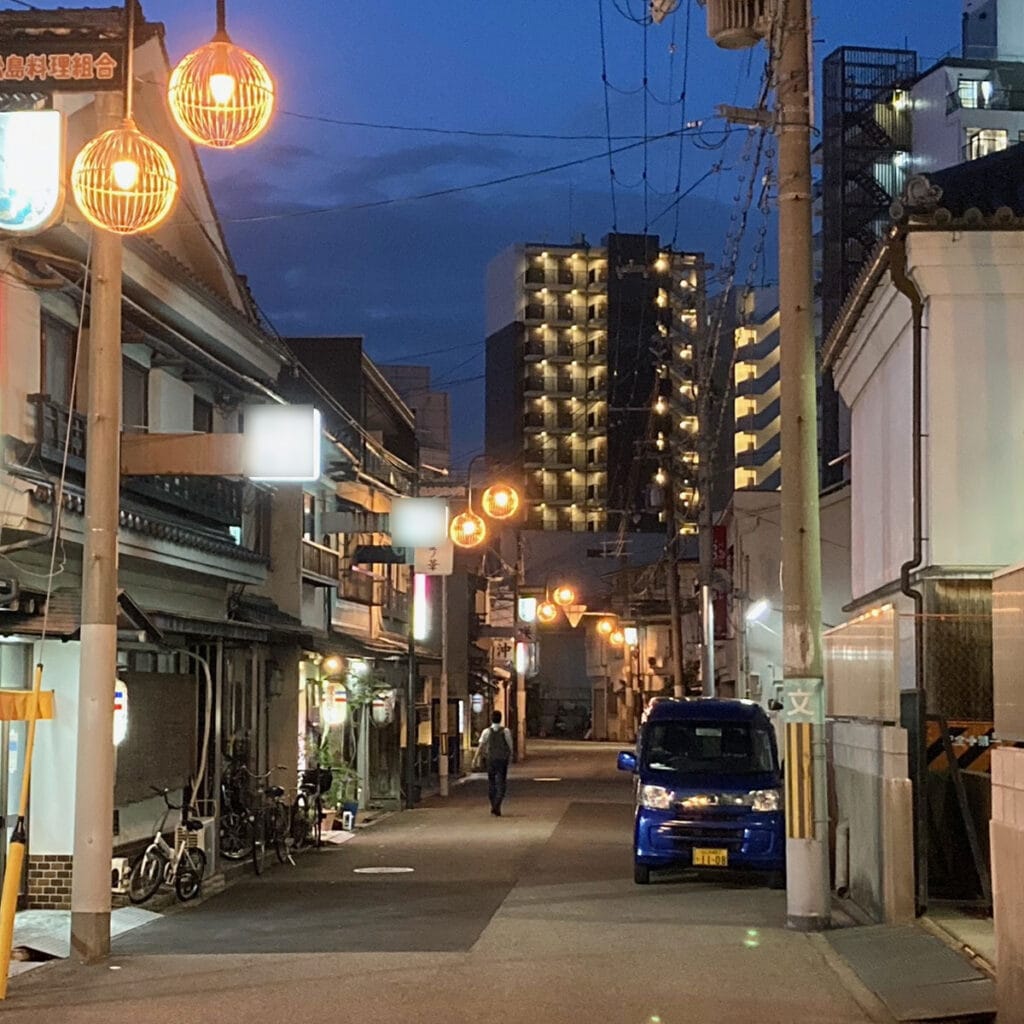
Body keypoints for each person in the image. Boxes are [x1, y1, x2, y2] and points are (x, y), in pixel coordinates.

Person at [476, 710, 513, 816]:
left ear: (491, 719)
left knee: (491, 783)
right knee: (502, 783)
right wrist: (510, 756)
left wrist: (476, 758)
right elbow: (510, 745)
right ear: (501, 719)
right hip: (502, 760)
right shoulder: (505, 731)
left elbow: (481, 746)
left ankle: (493, 805)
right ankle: (497, 805)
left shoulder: (486, 731)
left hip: (490, 759)